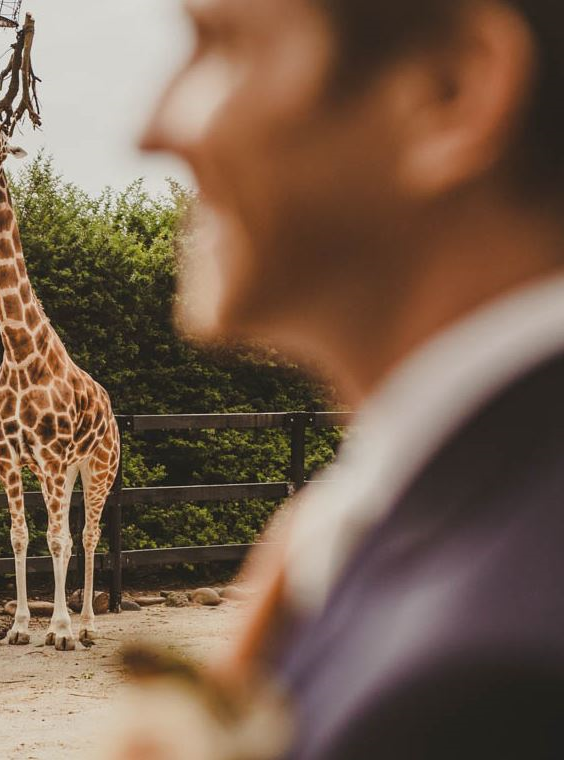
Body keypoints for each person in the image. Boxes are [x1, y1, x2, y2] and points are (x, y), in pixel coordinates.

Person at [141, 0, 564, 757]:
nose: (154, 129)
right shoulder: (436, 510)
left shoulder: (484, 675)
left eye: (226, 44)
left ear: (450, 92)